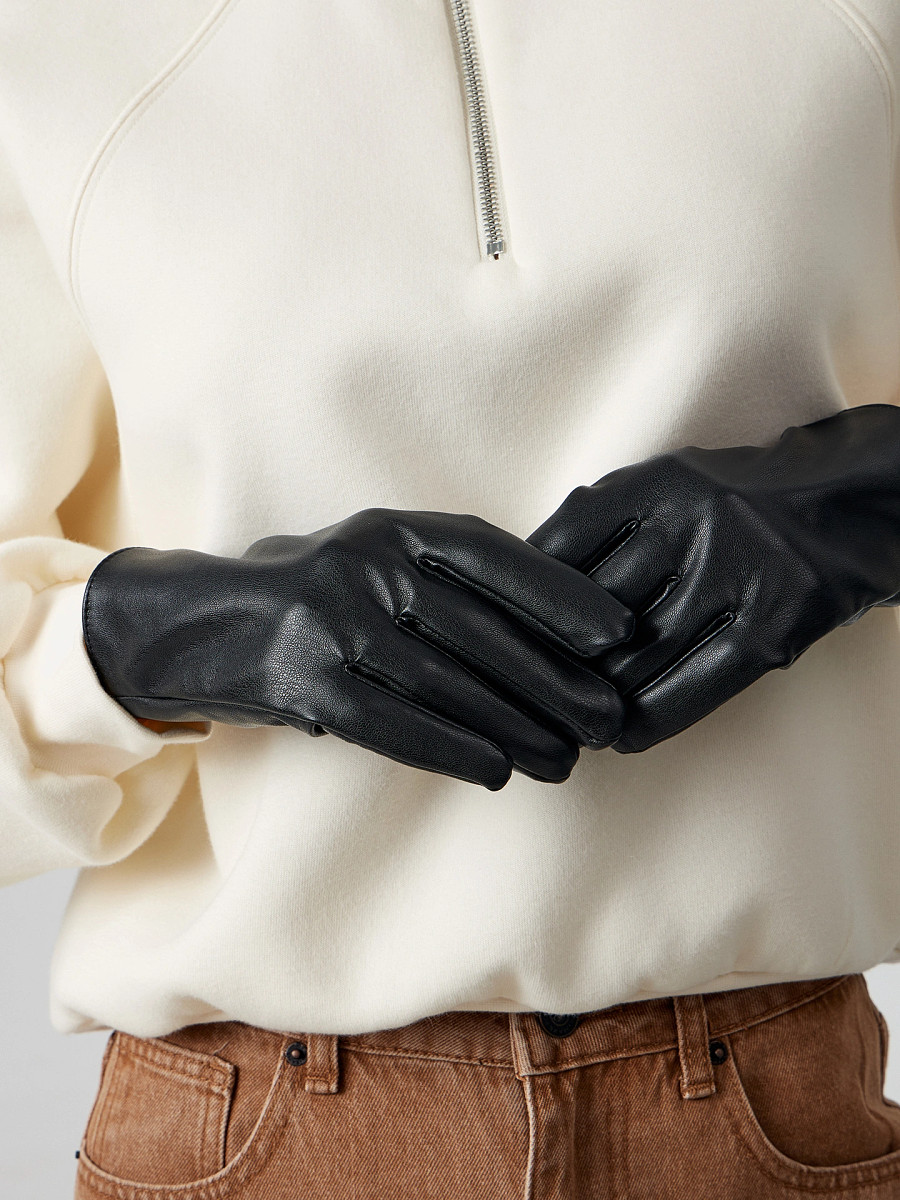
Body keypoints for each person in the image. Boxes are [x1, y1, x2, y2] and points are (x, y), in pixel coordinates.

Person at [2, 0, 900, 1195]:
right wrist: (177, 634)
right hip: (258, 1138)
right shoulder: (47, 42)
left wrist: (866, 496)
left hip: (769, 1123)